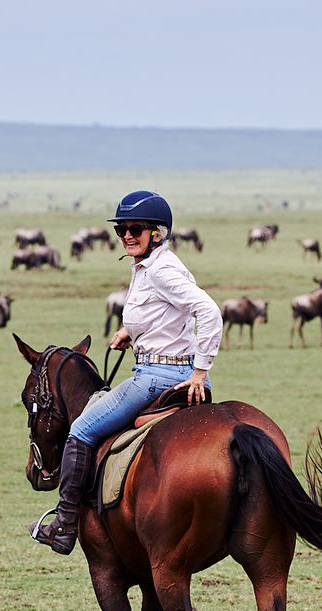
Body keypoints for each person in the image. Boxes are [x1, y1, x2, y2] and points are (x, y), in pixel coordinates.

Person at [31, 190, 222, 555]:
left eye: (136, 228)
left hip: (157, 377)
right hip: (168, 368)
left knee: (81, 429)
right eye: (122, 230)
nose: (127, 236)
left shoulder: (161, 270)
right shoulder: (150, 266)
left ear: (158, 233)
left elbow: (208, 311)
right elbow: (165, 315)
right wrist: (129, 332)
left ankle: (64, 524)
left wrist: (200, 371)